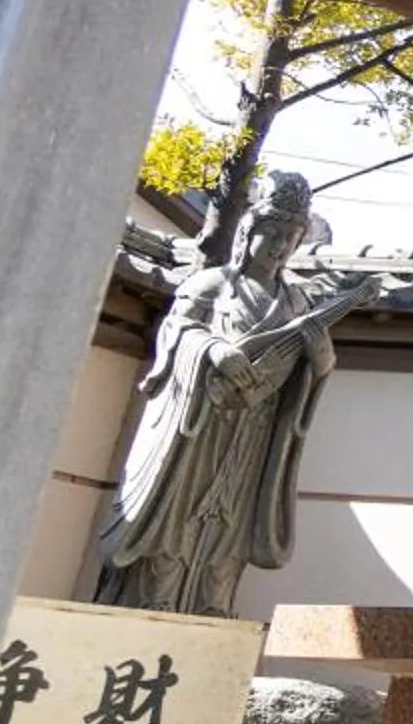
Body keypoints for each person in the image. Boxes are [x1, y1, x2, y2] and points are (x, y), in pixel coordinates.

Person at [92, 171, 379, 616]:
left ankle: (214, 609)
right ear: (249, 232)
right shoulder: (212, 285)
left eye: (290, 236)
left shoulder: (296, 302)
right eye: (273, 233)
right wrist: (215, 350)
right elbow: (177, 332)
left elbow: (307, 367)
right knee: (176, 522)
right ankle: (155, 605)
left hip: (254, 431)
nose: (281, 245)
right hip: (197, 428)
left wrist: (320, 361)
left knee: (231, 530)